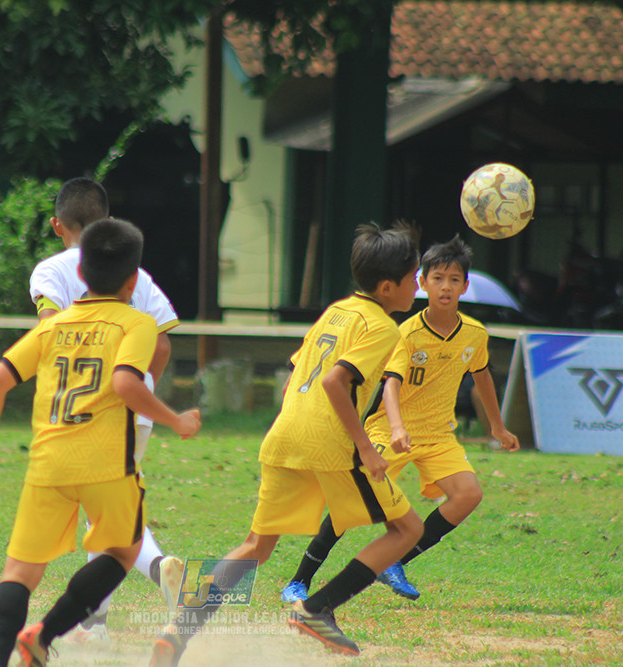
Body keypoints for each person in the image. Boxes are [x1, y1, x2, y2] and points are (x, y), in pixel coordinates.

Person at [150, 221, 424, 665]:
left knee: (255, 547)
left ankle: (178, 630)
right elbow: (335, 382)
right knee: (408, 529)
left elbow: (294, 377)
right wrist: (366, 447)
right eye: (414, 277)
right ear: (388, 287)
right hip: (329, 440)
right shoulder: (383, 327)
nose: (418, 285)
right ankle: (317, 609)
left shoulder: (336, 311)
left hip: (284, 433)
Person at [0, 218, 201, 667]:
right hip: (106, 465)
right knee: (124, 552)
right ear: (133, 280)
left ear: (81, 274)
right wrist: (175, 419)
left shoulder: (53, 326)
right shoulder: (136, 324)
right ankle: (44, 634)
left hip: (48, 464)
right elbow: (127, 383)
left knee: (19, 573)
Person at [280, 235, 520, 607]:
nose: (445, 287)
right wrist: (396, 428)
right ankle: (299, 580)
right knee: (350, 503)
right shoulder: (406, 333)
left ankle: (394, 562)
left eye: (454, 280)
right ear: (422, 282)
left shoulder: (474, 334)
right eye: (437, 278)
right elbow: (390, 384)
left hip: (438, 436)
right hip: (390, 431)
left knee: (468, 495)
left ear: (464, 287)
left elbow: (483, 375)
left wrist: (497, 427)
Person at [28, 177, 184, 642]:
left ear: (58, 225)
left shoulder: (51, 271)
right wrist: (141, 389)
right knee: (108, 513)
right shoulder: (137, 275)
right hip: (135, 408)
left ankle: (159, 568)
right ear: (109, 222)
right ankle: (94, 626)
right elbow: (162, 345)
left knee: (107, 517)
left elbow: (51, 334)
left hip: (83, 409)